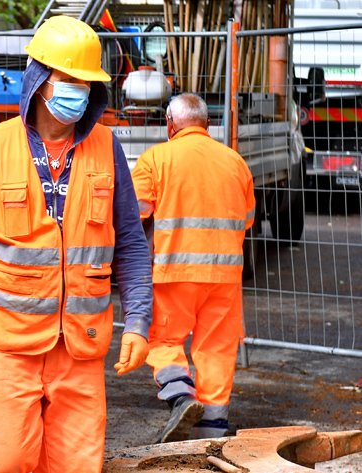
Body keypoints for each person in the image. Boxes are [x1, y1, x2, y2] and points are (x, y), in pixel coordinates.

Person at [0, 16, 153, 473]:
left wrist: (139, 321)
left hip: (79, 350)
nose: (78, 92)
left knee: (76, 466)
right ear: (40, 80)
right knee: (2, 462)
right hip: (5, 349)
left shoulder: (107, 149)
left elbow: (129, 242)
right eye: (69, 80)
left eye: (86, 82)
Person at [131, 92, 256, 443]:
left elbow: (133, 216)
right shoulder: (235, 162)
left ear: (170, 124)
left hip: (173, 272)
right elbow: (247, 219)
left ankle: (180, 395)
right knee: (217, 347)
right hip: (225, 275)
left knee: (163, 337)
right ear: (208, 124)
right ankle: (212, 430)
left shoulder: (156, 159)